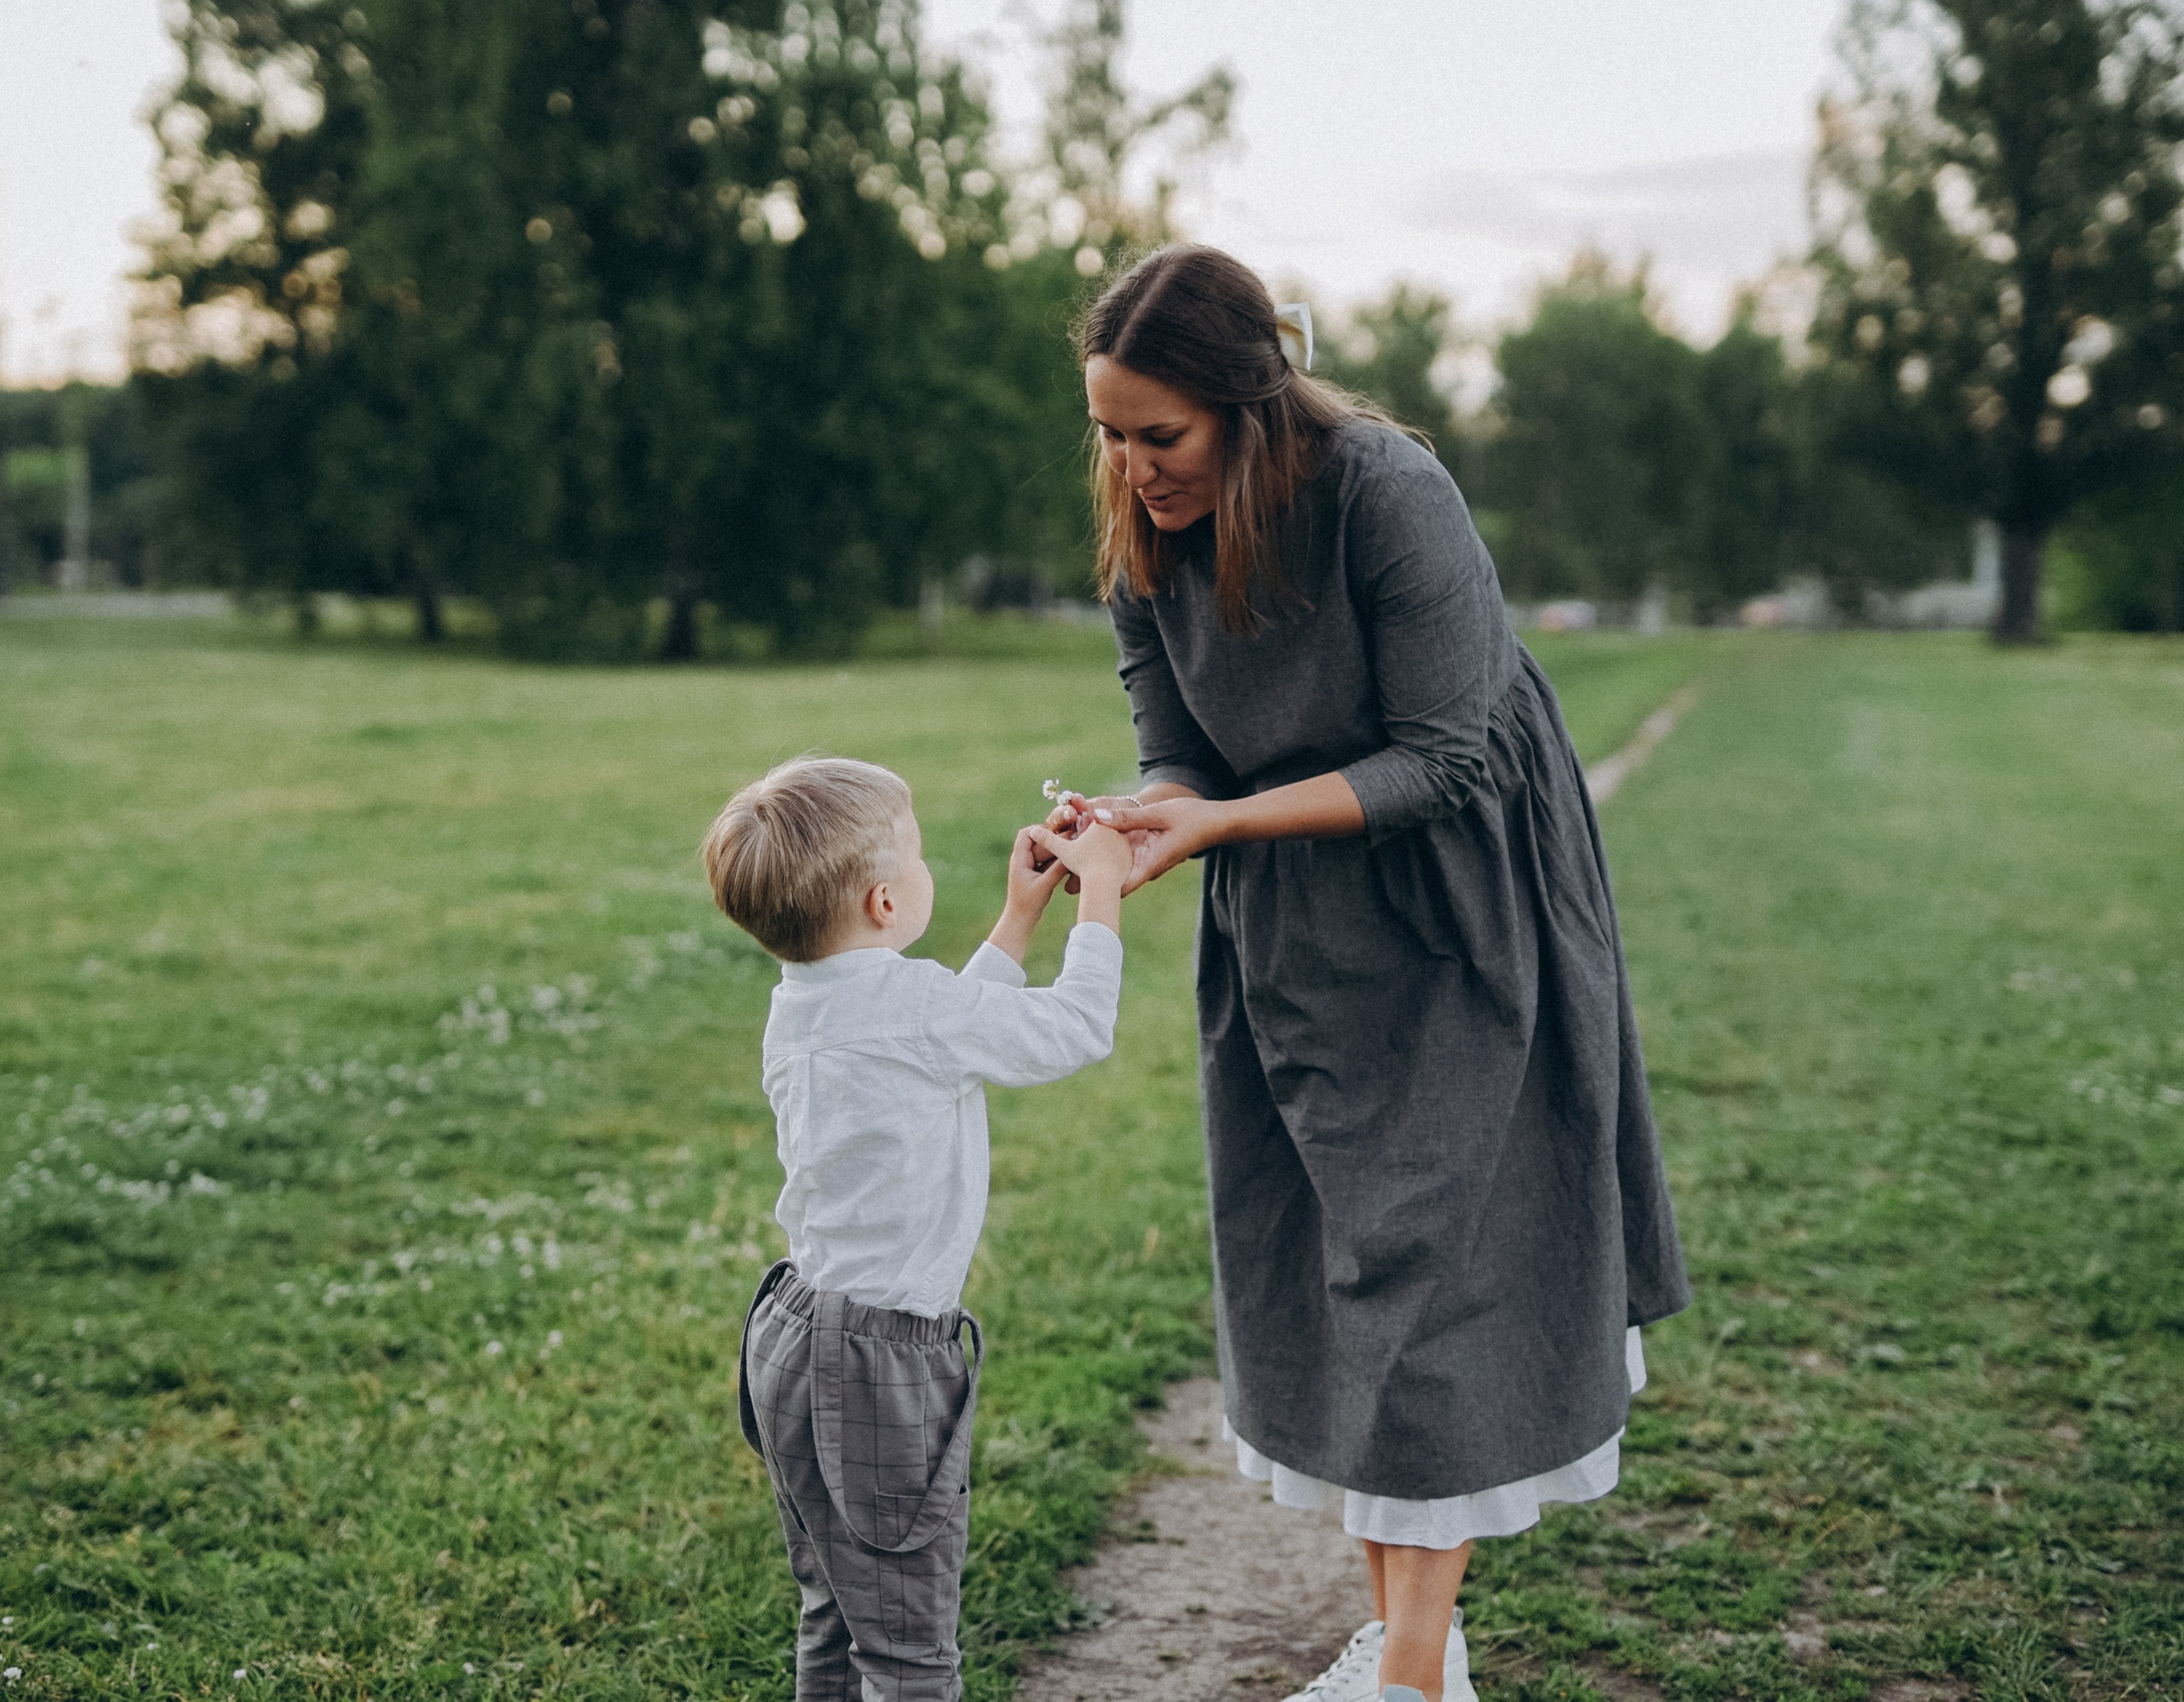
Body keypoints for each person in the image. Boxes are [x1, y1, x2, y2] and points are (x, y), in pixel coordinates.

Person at [1046, 245, 1692, 1702]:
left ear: (1247, 405)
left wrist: (1221, 818)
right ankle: (1421, 1649)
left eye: (1163, 435)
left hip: (1461, 893)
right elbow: (1181, 748)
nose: (1135, 466)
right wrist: (1143, 814)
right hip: (1295, 927)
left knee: (1441, 1265)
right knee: (1342, 1265)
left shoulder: (1387, 491)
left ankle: (1407, 1673)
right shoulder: (1144, 538)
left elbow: (1447, 756)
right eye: (1111, 432)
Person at [704, 756, 1134, 1701]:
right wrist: (1098, 891)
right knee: (907, 1649)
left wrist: (1019, 918)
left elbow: (944, 1038)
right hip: (878, 1365)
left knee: (837, 1609)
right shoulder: (914, 1012)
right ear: (886, 904)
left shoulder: (804, 999)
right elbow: (1075, 1028)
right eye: (921, 852)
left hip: (788, 1338)